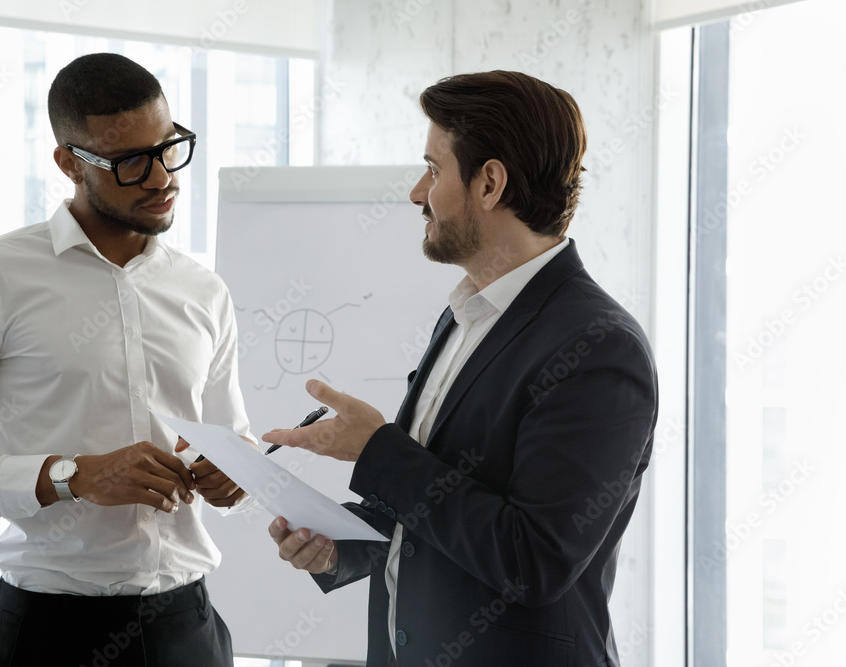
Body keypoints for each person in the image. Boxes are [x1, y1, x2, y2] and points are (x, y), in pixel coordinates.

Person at [263, 70, 659, 666]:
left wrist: (376, 450)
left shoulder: (600, 349)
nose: (418, 192)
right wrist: (341, 545)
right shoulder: (464, 315)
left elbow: (532, 560)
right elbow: (434, 500)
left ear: (490, 183)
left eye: (433, 168)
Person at [0, 53, 254, 667]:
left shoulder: (203, 290)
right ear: (68, 163)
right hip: (52, 635)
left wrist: (233, 469)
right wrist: (70, 476)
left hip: (189, 629)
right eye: (131, 161)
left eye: (169, 148)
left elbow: (225, 436)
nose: (161, 178)